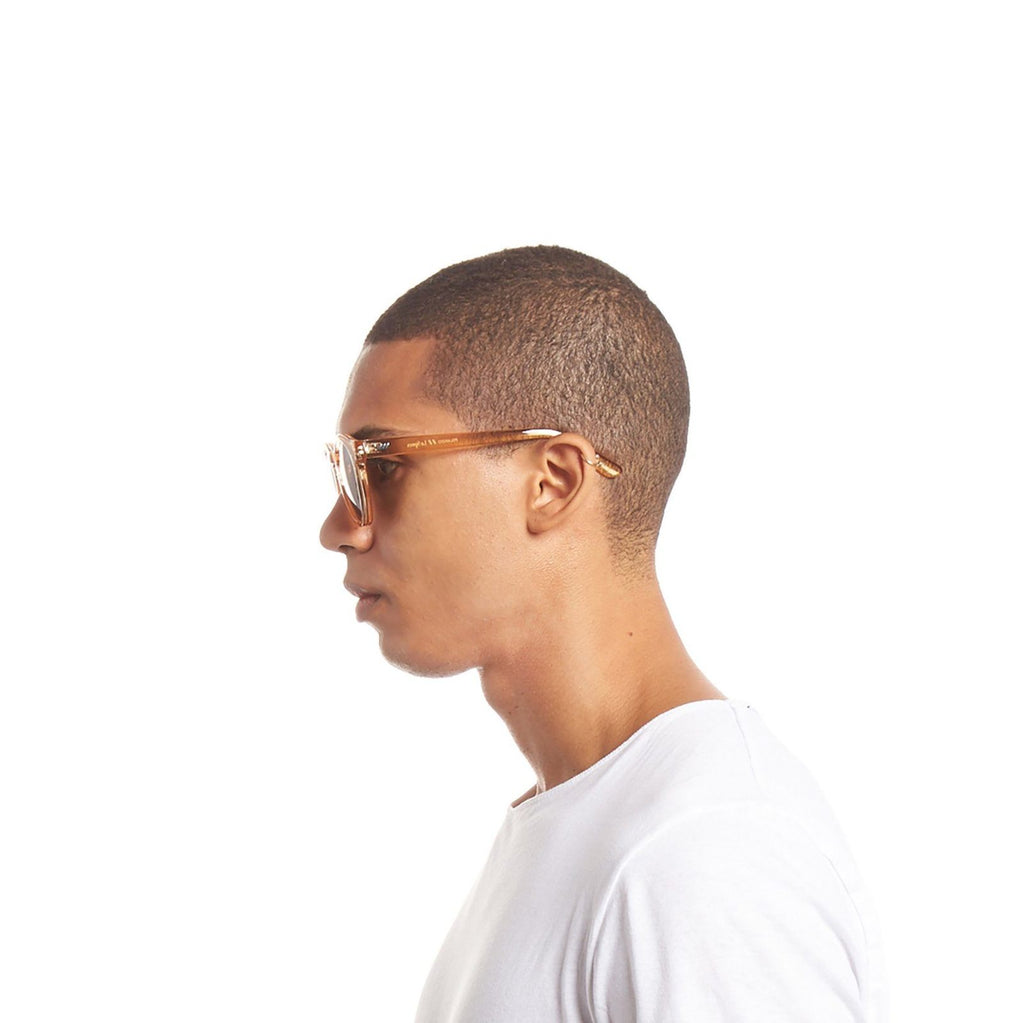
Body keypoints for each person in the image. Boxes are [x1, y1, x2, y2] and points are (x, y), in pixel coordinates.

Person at [320, 246, 885, 1022]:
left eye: (382, 466)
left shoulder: (704, 855)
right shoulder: (595, 822)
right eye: (345, 471)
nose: (340, 527)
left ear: (553, 481)